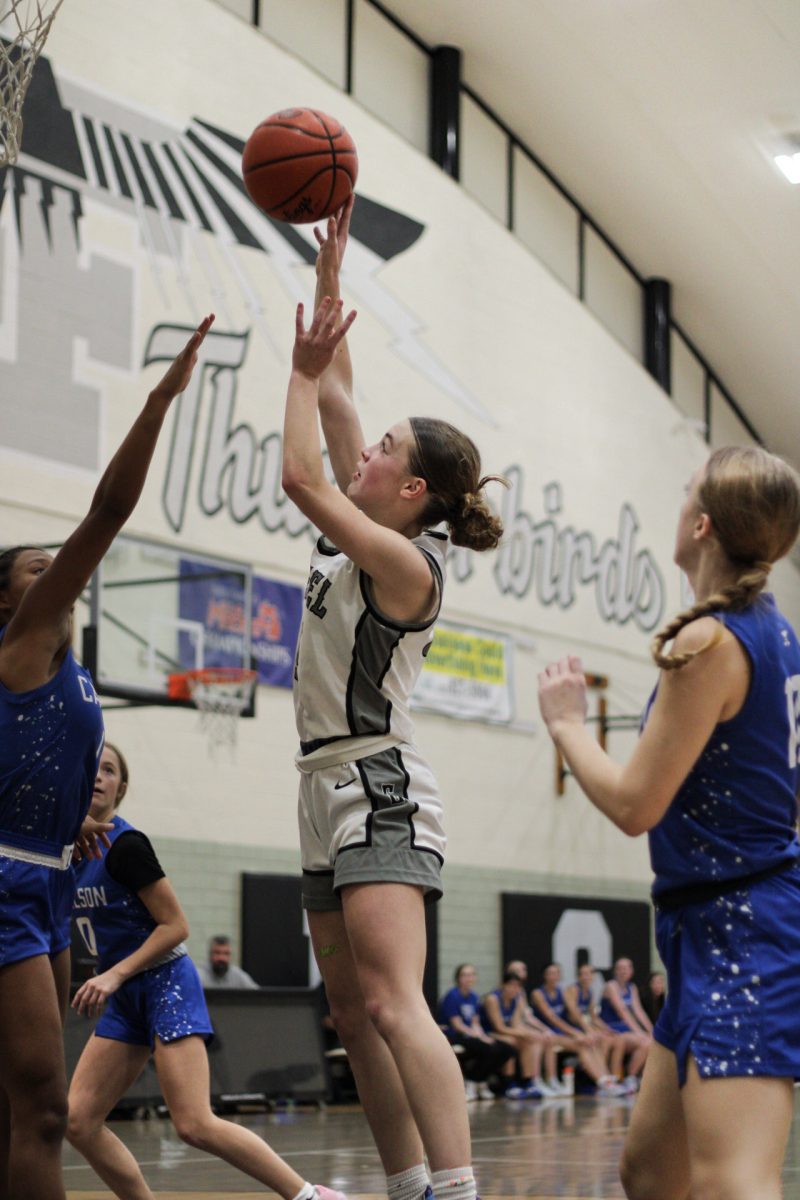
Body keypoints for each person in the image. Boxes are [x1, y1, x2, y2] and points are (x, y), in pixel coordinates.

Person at [282, 196, 504, 1200]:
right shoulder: (358, 529)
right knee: (351, 1010)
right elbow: (336, 406)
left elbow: (298, 471)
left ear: (410, 491)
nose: (363, 451)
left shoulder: (403, 565)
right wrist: (330, 297)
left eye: (381, 452)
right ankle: (407, 1182)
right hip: (319, 787)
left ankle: (454, 1191)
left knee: (392, 1000)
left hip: (377, 784)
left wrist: (294, 370)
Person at [537, 445, 800, 1199]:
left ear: (705, 523)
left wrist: (567, 727)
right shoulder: (775, 634)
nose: (678, 505)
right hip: (708, 931)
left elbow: (633, 805)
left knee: (735, 1181)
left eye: (686, 493)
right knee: (652, 1175)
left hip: (743, 933)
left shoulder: (710, 640)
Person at [0, 314, 213, 1200]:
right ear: (11, 600)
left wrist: (76, 827)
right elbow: (110, 511)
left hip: (45, 876)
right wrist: (160, 402)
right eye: (34, 569)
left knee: (17, 1113)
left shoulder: (67, 671)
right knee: (48, 1112)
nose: (54, 576)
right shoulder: (23, 645)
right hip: (10, 883)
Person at [67, 742, 346, 1200]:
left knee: (194, 1124)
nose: (99, 776)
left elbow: (176, 927)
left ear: (122, 788)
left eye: (110, 770)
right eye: (91, 767)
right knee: (78, 1121)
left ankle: (309, 1195)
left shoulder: (127, 846)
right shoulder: (64, 852)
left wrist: (114, 974)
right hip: (124, 996)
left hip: (164, 984)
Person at [531, 963, 626, 1096]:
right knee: (584, 1043)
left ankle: (607, 1078)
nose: (553, 976)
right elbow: (558, 1018)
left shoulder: (564, 991)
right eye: (550, 973)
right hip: (548, 1033)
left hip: (564, 1032)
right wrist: (579, 1032)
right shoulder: (540, 993)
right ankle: (601, 1081)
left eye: (556, 973)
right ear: (544, 976)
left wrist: (605, 1029)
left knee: (599, 1040)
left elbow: (592, 1016)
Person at [438, 964, 514, 1100]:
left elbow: (475, 1023)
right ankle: (472, 1081)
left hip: (471, 1036)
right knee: (487, 1048)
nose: (469, 978)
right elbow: (457, 1025)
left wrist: (483, 1036)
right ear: (458, 978)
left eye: (472, 974)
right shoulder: (452, 996)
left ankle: (480, 1080)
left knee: (506, 1049)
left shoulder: (474, 997)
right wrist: (478, 1037)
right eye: (465, 975)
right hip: (455, 1036)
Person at [481, 971, 554, 1099]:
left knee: (529, 1041)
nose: (515, 989)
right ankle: (509, 1083)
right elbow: (499, 1027)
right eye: (512, 985)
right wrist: (523, 1033)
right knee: (512, 1042)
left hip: (505, 1032)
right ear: (503, 985)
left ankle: (528, 1081)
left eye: (518, 986)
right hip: (487, 1033)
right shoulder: (492, 999)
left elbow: (515, 1025)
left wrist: (528, 1033)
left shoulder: (515, 999)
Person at [597, 958, 652, 1092]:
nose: (623, 971)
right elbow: (622, 1011)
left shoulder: (631, 987)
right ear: (615, 971)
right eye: (620, 968)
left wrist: (652, 1030)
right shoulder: (611, 986)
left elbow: (638, 1011)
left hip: (625, 1028)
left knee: (649, 1042)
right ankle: (621, 1078)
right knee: (638, 1042)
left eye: (626, 968)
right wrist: (639, 1032)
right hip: (611, 1028)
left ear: (631, 971)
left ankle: (632, 1077)